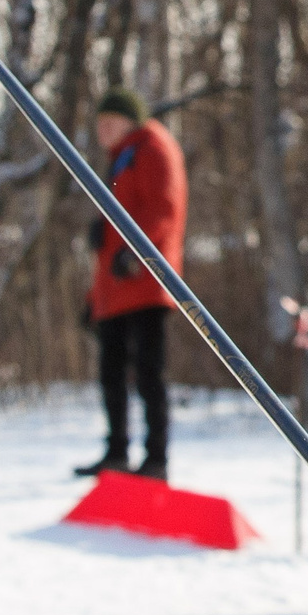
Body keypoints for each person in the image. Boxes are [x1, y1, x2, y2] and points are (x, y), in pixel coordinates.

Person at [76, 88, 187, 480]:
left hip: (146, 283)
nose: (103, 131)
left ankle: (156, 459)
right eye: (99, 124)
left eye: (110, 123)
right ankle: (117, 453)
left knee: (149, 373)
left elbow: (164, 208)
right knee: (110, 374)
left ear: (131, 121)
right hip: (115, 290)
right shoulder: (121, 156)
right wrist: (95, 297)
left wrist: (136, 253)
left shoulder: (152, 147)